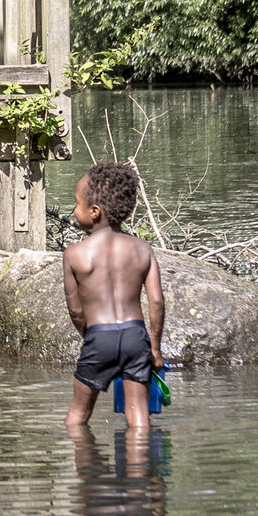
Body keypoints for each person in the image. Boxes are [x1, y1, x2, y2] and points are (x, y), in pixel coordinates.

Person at [63, 160, 166, 434]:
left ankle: (87, 474)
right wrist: (154, 349)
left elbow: (75, 310)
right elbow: (156, 302)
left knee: (78, 415)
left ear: (94, 212)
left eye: (77, 204)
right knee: (139, 417)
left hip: (99, 336)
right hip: (135, 336)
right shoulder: (142, 249)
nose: (75, 209)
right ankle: (140, 471)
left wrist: (92, 337)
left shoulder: (75, 254)